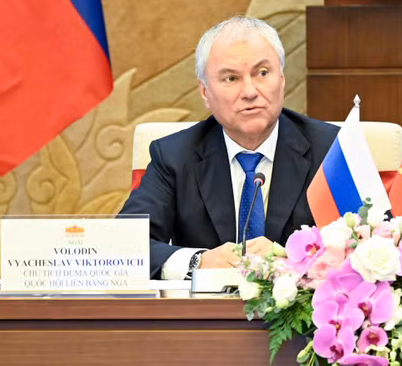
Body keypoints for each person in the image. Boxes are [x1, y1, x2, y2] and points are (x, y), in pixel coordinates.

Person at [119, 16, 338, 279]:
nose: (250, 91)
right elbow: (124, 244)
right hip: (206, 306)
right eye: (231, 78)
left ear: (281, 79)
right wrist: (198, 262)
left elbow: (369, 244)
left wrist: (291, 260)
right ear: (205, 92)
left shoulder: (331, 150)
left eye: (262, 73)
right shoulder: (174, 157)